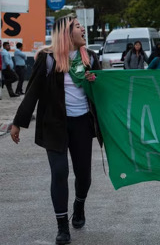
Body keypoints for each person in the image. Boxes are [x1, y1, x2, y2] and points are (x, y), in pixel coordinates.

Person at [9, 16, 101, 245]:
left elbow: (104, 92)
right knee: (59, 172)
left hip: (82, 123)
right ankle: (62, 227)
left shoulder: (90, 58)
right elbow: (33, 92)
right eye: (78, 26)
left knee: (84, 176)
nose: (82, 29)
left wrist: (94, 81)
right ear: (66, 33)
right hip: (55, 125)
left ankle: (78, 206)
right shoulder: (47, 59)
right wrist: (17, 122)